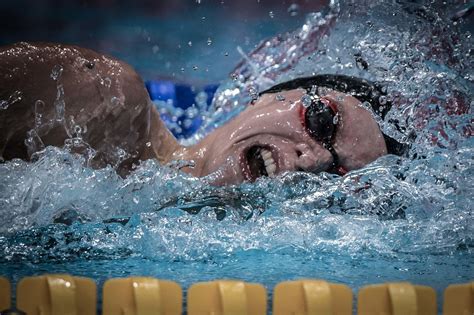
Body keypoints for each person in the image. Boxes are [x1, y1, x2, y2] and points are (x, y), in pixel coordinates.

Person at [0, 42, 404, 185]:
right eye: (321, 121)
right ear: (265, 97)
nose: (312, 160)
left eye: (338, 177)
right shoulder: (106, 99)